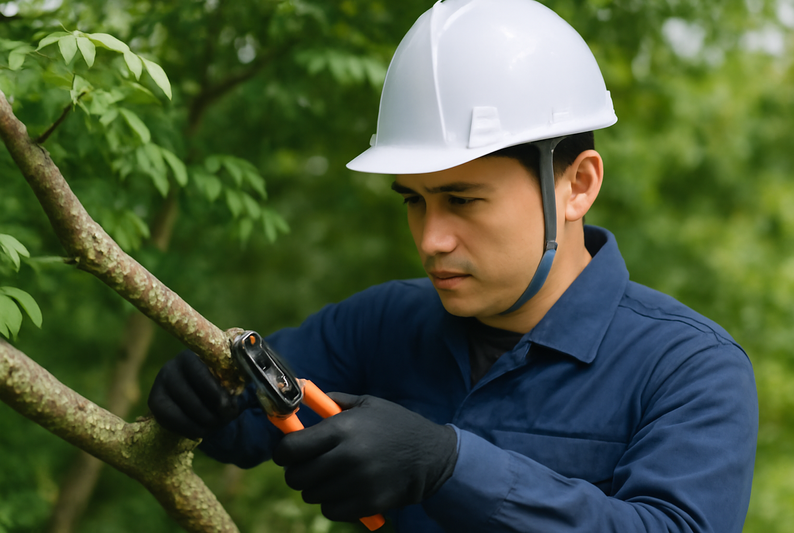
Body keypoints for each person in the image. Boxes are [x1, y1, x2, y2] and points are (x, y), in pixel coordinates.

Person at [148, 0, 758, 531]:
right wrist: (205, 398)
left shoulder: (689, 369)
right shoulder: (381, 324)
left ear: (577, 185)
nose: (432, 239)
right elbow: (250, 424)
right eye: (414, 201)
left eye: (462, 200)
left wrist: (450, 467)